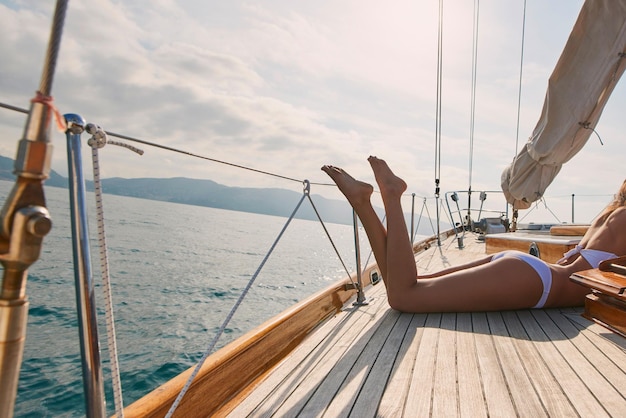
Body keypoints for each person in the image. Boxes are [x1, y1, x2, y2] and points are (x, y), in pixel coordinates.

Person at [322, 156, 626, 313]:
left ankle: (362, 202)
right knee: (404, 297)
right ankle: (392, 195)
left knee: (405, 284)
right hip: (538, 284)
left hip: (530, 272)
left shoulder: (610, 213)